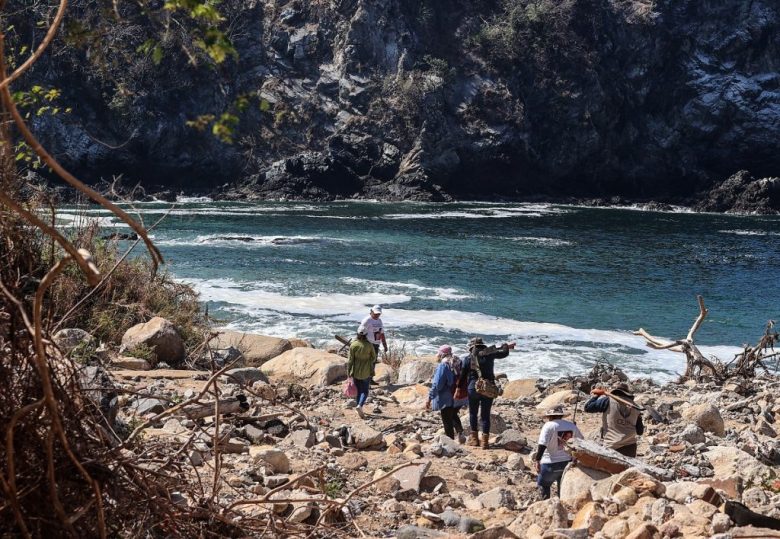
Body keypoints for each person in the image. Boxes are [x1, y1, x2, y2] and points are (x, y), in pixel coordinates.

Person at [459, 336, 515, 449]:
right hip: (488, 388)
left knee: (473, 413)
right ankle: (485, 442)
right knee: (485, 415)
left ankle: (474, 439)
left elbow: (462, 376)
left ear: (471, 348)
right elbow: (504, 353)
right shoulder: (490, 354)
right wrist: (505, 345)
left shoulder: (468, 358)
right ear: (482, 345)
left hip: (473, 388)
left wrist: (458, 389)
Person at [533, 405, 583, 499]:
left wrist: (537, 460)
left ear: (550, 416)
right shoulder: (571, 425)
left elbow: (542, 444)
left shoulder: (548, 425)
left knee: (544, 486)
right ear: (561, 415)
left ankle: (545, 507)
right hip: (566, 463)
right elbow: (581, 442)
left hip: (549, 464)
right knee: (562, 489)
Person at [583, 382, 644, 457]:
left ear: (616, 391)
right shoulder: (635, 407)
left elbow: (588, 407)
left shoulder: (608, 400)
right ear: (627, 393)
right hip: (630, 448)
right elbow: (640, 431)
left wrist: (596, 395)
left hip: (612, 446)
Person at [426, 345, 467, 442]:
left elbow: (437, 384)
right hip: (459, 395)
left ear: (442, 354)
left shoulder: (444, 365)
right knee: (453, 414)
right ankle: (460, 432)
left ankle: (450, 442)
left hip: (446, 397)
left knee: (446, 419)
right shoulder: (458, 361)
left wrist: (430, 398)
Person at [347, 326, 377, 418]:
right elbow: (374, 358)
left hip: (356, 371)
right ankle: (360, 405)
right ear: (366, 335)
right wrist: (368, 361)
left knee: (359, 390)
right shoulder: (369, 345)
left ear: (357, 334)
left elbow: (350, 360)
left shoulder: (354, 345)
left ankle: (358, 405)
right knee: (365, 390)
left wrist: (348, 372)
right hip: (366, 371)